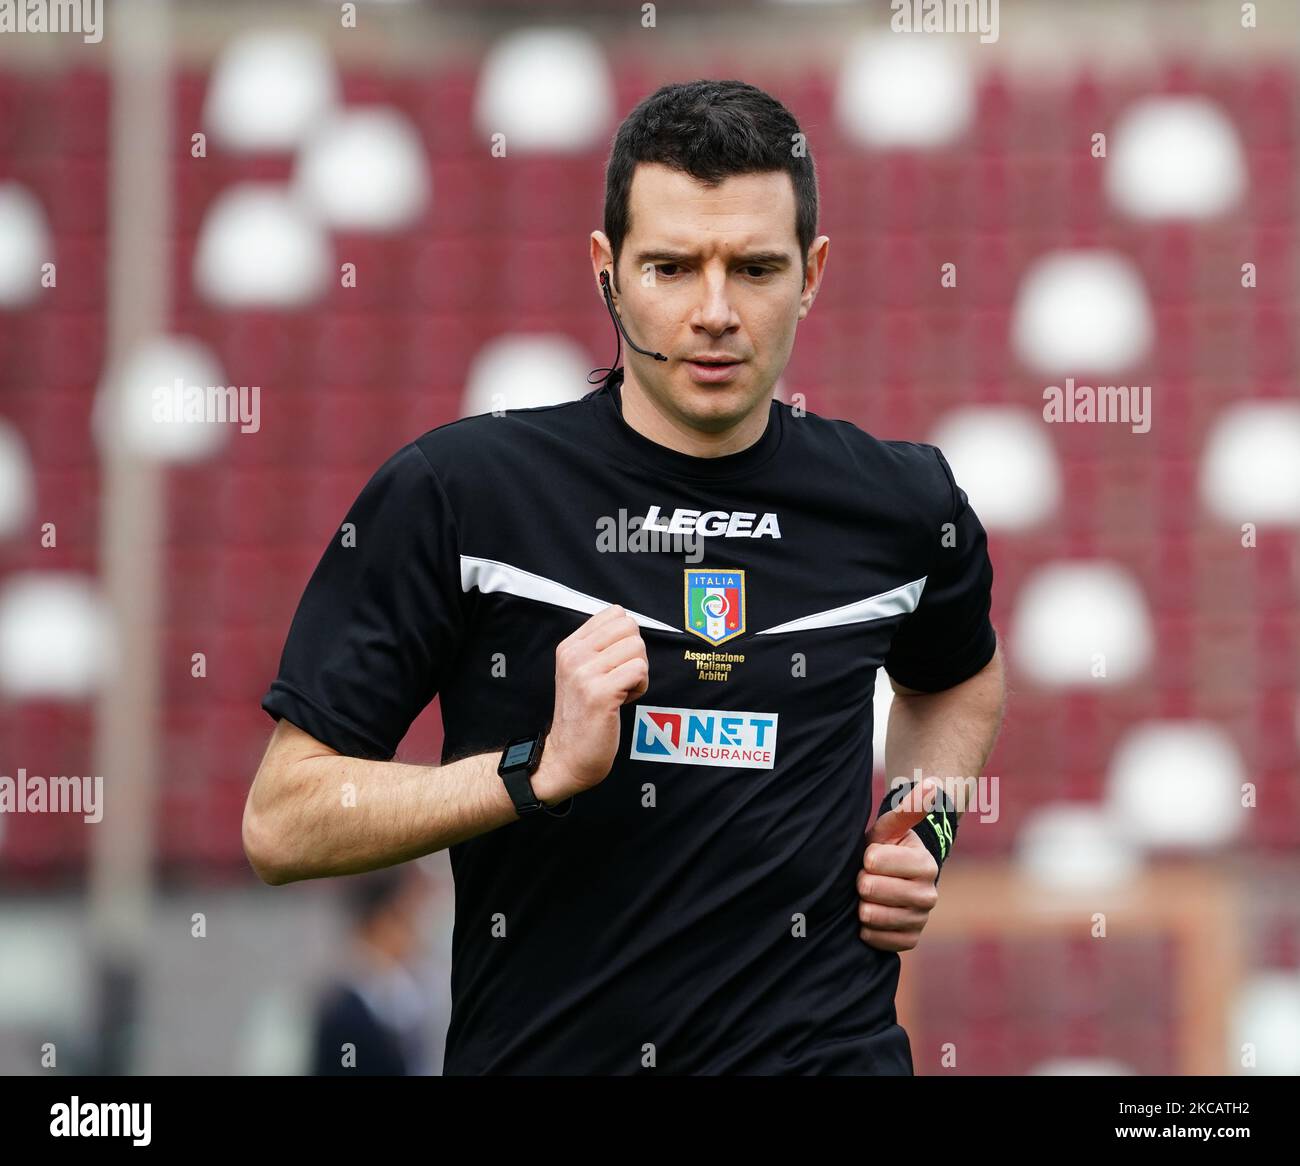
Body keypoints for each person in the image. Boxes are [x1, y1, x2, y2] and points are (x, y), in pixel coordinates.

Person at [244, 78, 1006, 1075]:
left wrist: (922, 823)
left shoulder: (903, 504)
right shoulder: (463, 494)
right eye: (672, 267)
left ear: (813, 273)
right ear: (606, 272)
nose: (716, 311)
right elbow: (283, 819)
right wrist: (534, 772)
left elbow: (958, 672)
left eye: (757, 267)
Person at [308, 864, 437, 1076]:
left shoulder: (402, 998)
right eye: (408, 917)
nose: (417, 930)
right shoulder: (344, 1013)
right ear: (382, 921)